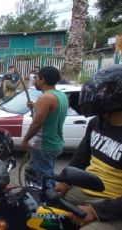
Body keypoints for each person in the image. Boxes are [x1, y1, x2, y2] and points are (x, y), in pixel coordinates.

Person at [54, 65, 122, 229]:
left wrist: (96, 211)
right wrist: (65, 182)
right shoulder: (96, 123)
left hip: (114, 205)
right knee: (41, 214)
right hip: (84, 190)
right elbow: (80, 159)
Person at [21, 66, 68, 189]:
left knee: (39, 181)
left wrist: (25, 140)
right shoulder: (61, 95)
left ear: (43, 80)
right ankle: (50, 196)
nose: (34, 80)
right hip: (55, 143)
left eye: (36, 77)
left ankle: (43, 205)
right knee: (48, 175)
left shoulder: (45, 98)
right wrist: (35, 105)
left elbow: (37, 123)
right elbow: (52, 112)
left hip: (44, 145)